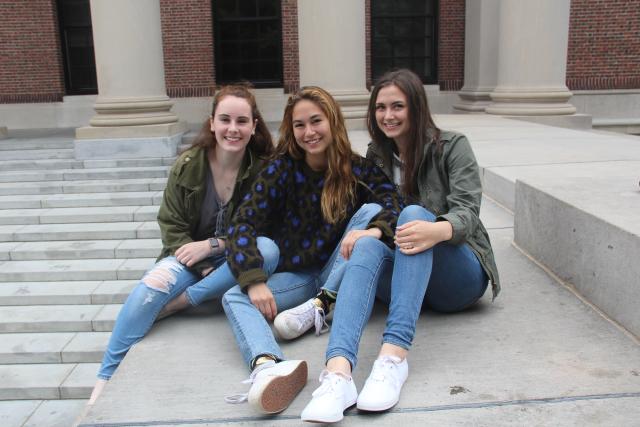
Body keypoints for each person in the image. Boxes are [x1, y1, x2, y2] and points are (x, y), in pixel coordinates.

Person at [290, 69, 500, 423]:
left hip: (459, 276)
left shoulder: (452, 146)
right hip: (409, 273)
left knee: (415, 213)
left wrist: (437, 229)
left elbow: (468, 212)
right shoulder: (377, 155)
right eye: (381, 107)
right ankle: (338, 374)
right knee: (368, 245)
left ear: (416, 107)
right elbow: (375, 210)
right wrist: (372, 232)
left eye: (398, 106)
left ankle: (393, 358)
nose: (388, 115)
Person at [220, 86, 404, 415]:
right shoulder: (281, 169)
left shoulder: (357, 169)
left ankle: (324, 303)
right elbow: (241, 223)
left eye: (316, 121)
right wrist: (254, 279)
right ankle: (267, 365)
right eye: (299, 125)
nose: (309, 132)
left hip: (341, 265)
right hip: (301, 276)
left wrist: (374, 230)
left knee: (367, 214)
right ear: (291, 130)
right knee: (234, 296)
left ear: (332, 121)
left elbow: (393, 202)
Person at [87, 84, 276, 404]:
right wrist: (198, 259)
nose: (233, 129)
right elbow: (171, 225)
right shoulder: (188, 165)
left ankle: (182, 302)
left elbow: (265, 227)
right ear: (212, 122)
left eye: (242, 121)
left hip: (234, 256)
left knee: (269, 249)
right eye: (225, 119)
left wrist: (213, 246)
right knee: (153, 284)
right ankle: (105, 377)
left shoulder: (262, 169)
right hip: (188, 257)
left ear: (254, 125)